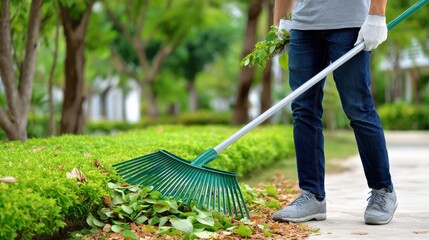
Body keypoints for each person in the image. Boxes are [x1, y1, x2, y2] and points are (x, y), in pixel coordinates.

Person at [272, 0, 397, 225]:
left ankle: (382, 191)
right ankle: (312, 195)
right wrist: (280, 22)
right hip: (303, 27)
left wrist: (377, 15)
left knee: (358, 108)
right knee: (303, 110)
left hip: (349, 25)